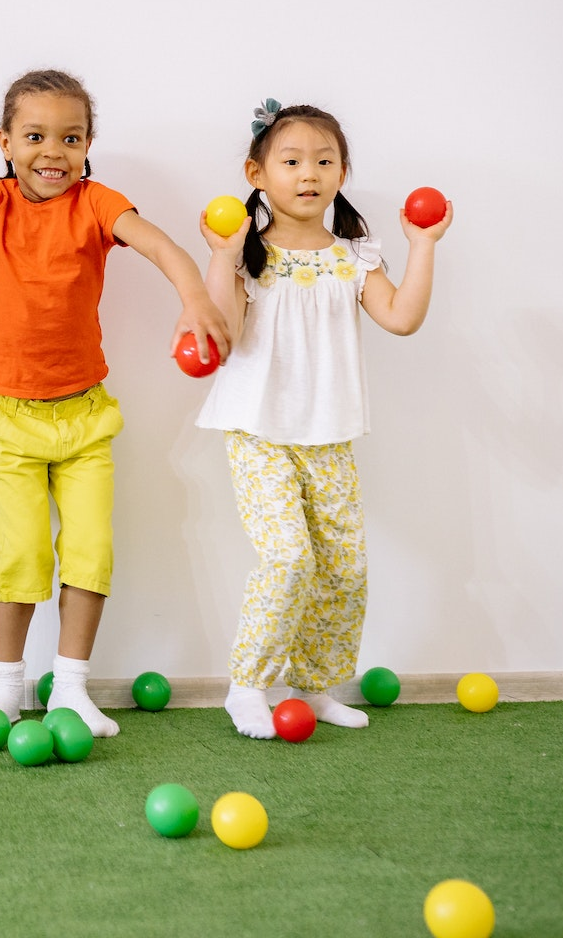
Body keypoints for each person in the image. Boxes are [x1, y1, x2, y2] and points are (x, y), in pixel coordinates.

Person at [0, 70, 230, 737]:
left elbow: (160, 243)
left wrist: (195, 298)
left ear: (88, 144)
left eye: (71, 138)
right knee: (22, 554)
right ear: (6, 142)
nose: (54, 151)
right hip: (7, 416)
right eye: (36, 136)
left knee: (91, 549)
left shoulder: (97, 204)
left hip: (84, 416)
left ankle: (72, 687)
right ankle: (6, 689)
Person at [196, 101, 450, 738]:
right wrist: (222, 255)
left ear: (342, 172)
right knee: (287, 559)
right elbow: (222, 331)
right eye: (291, 161)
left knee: (342, 567)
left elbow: (402, 317)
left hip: (327, 435)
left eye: (323, 160)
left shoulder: (355, 257)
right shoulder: (250, 255)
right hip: (258, 432)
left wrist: (422, 245)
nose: (308, 173)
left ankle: (311, 688)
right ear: (257, 173)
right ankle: (247, 684)